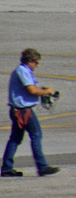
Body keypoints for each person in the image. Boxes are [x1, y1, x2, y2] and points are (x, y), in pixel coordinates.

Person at [2, 48, 59, 177]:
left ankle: (6, 167)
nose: (37, 66)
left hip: (17, 110)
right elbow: (32, 90)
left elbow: (33, 88)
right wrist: (47, 92)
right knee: (36, 135)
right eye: (36, 63)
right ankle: (42, 166)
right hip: (23, 111)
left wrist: (43, 91)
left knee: (15, 139)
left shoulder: (24, 71)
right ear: (30, 61)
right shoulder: (23, 71)